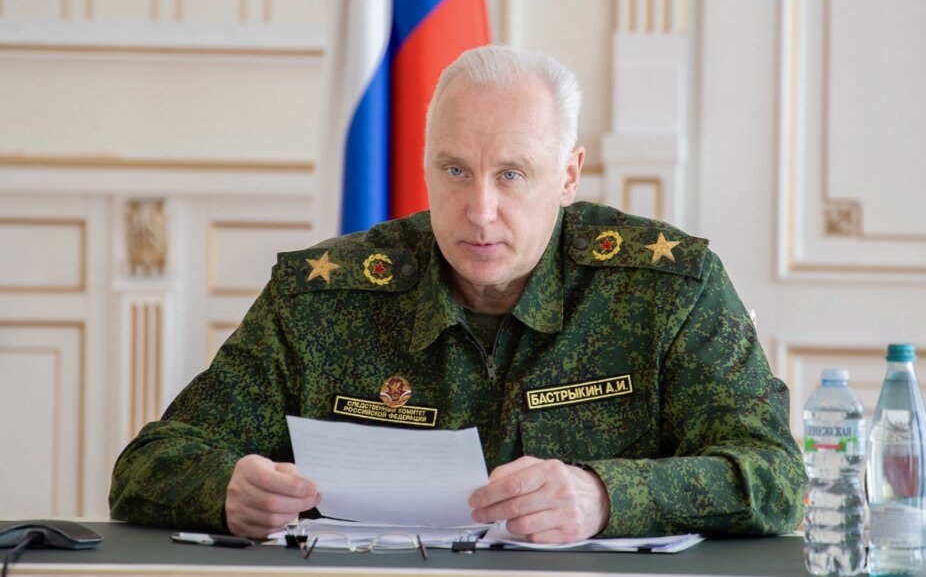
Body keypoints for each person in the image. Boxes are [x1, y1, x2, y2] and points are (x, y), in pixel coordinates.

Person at [109, 44, 805, 543]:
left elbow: (776, 476)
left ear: (568, 176)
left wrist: (604, 496)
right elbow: (147, 465)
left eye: (511, 175)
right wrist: (227, 490)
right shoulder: (322, 297)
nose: (479, 211)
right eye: (455, 171)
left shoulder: (667, 289)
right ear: (424, 165)